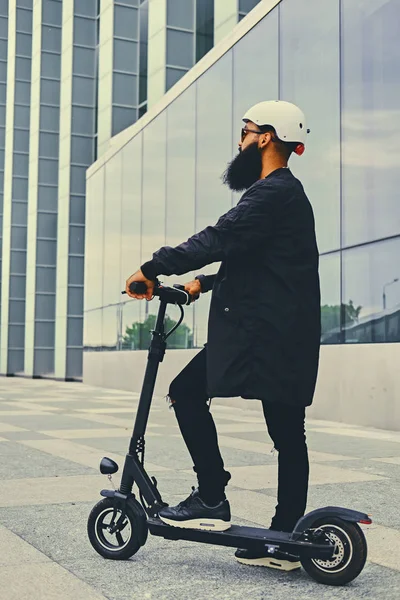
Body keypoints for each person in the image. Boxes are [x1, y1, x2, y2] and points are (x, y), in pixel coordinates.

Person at [125, 100, 321, 572]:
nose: (240, 141)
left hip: (265, 336)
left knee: (190, 394)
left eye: (246, 131)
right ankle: (284, 531)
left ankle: (216, 498)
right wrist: (202, 284)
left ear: (266, 138)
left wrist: (152, 267)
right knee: (285, 432)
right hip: (275, 332)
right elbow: (257, 258)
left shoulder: (272, 193)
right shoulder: (279, 194)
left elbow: (218, 238)